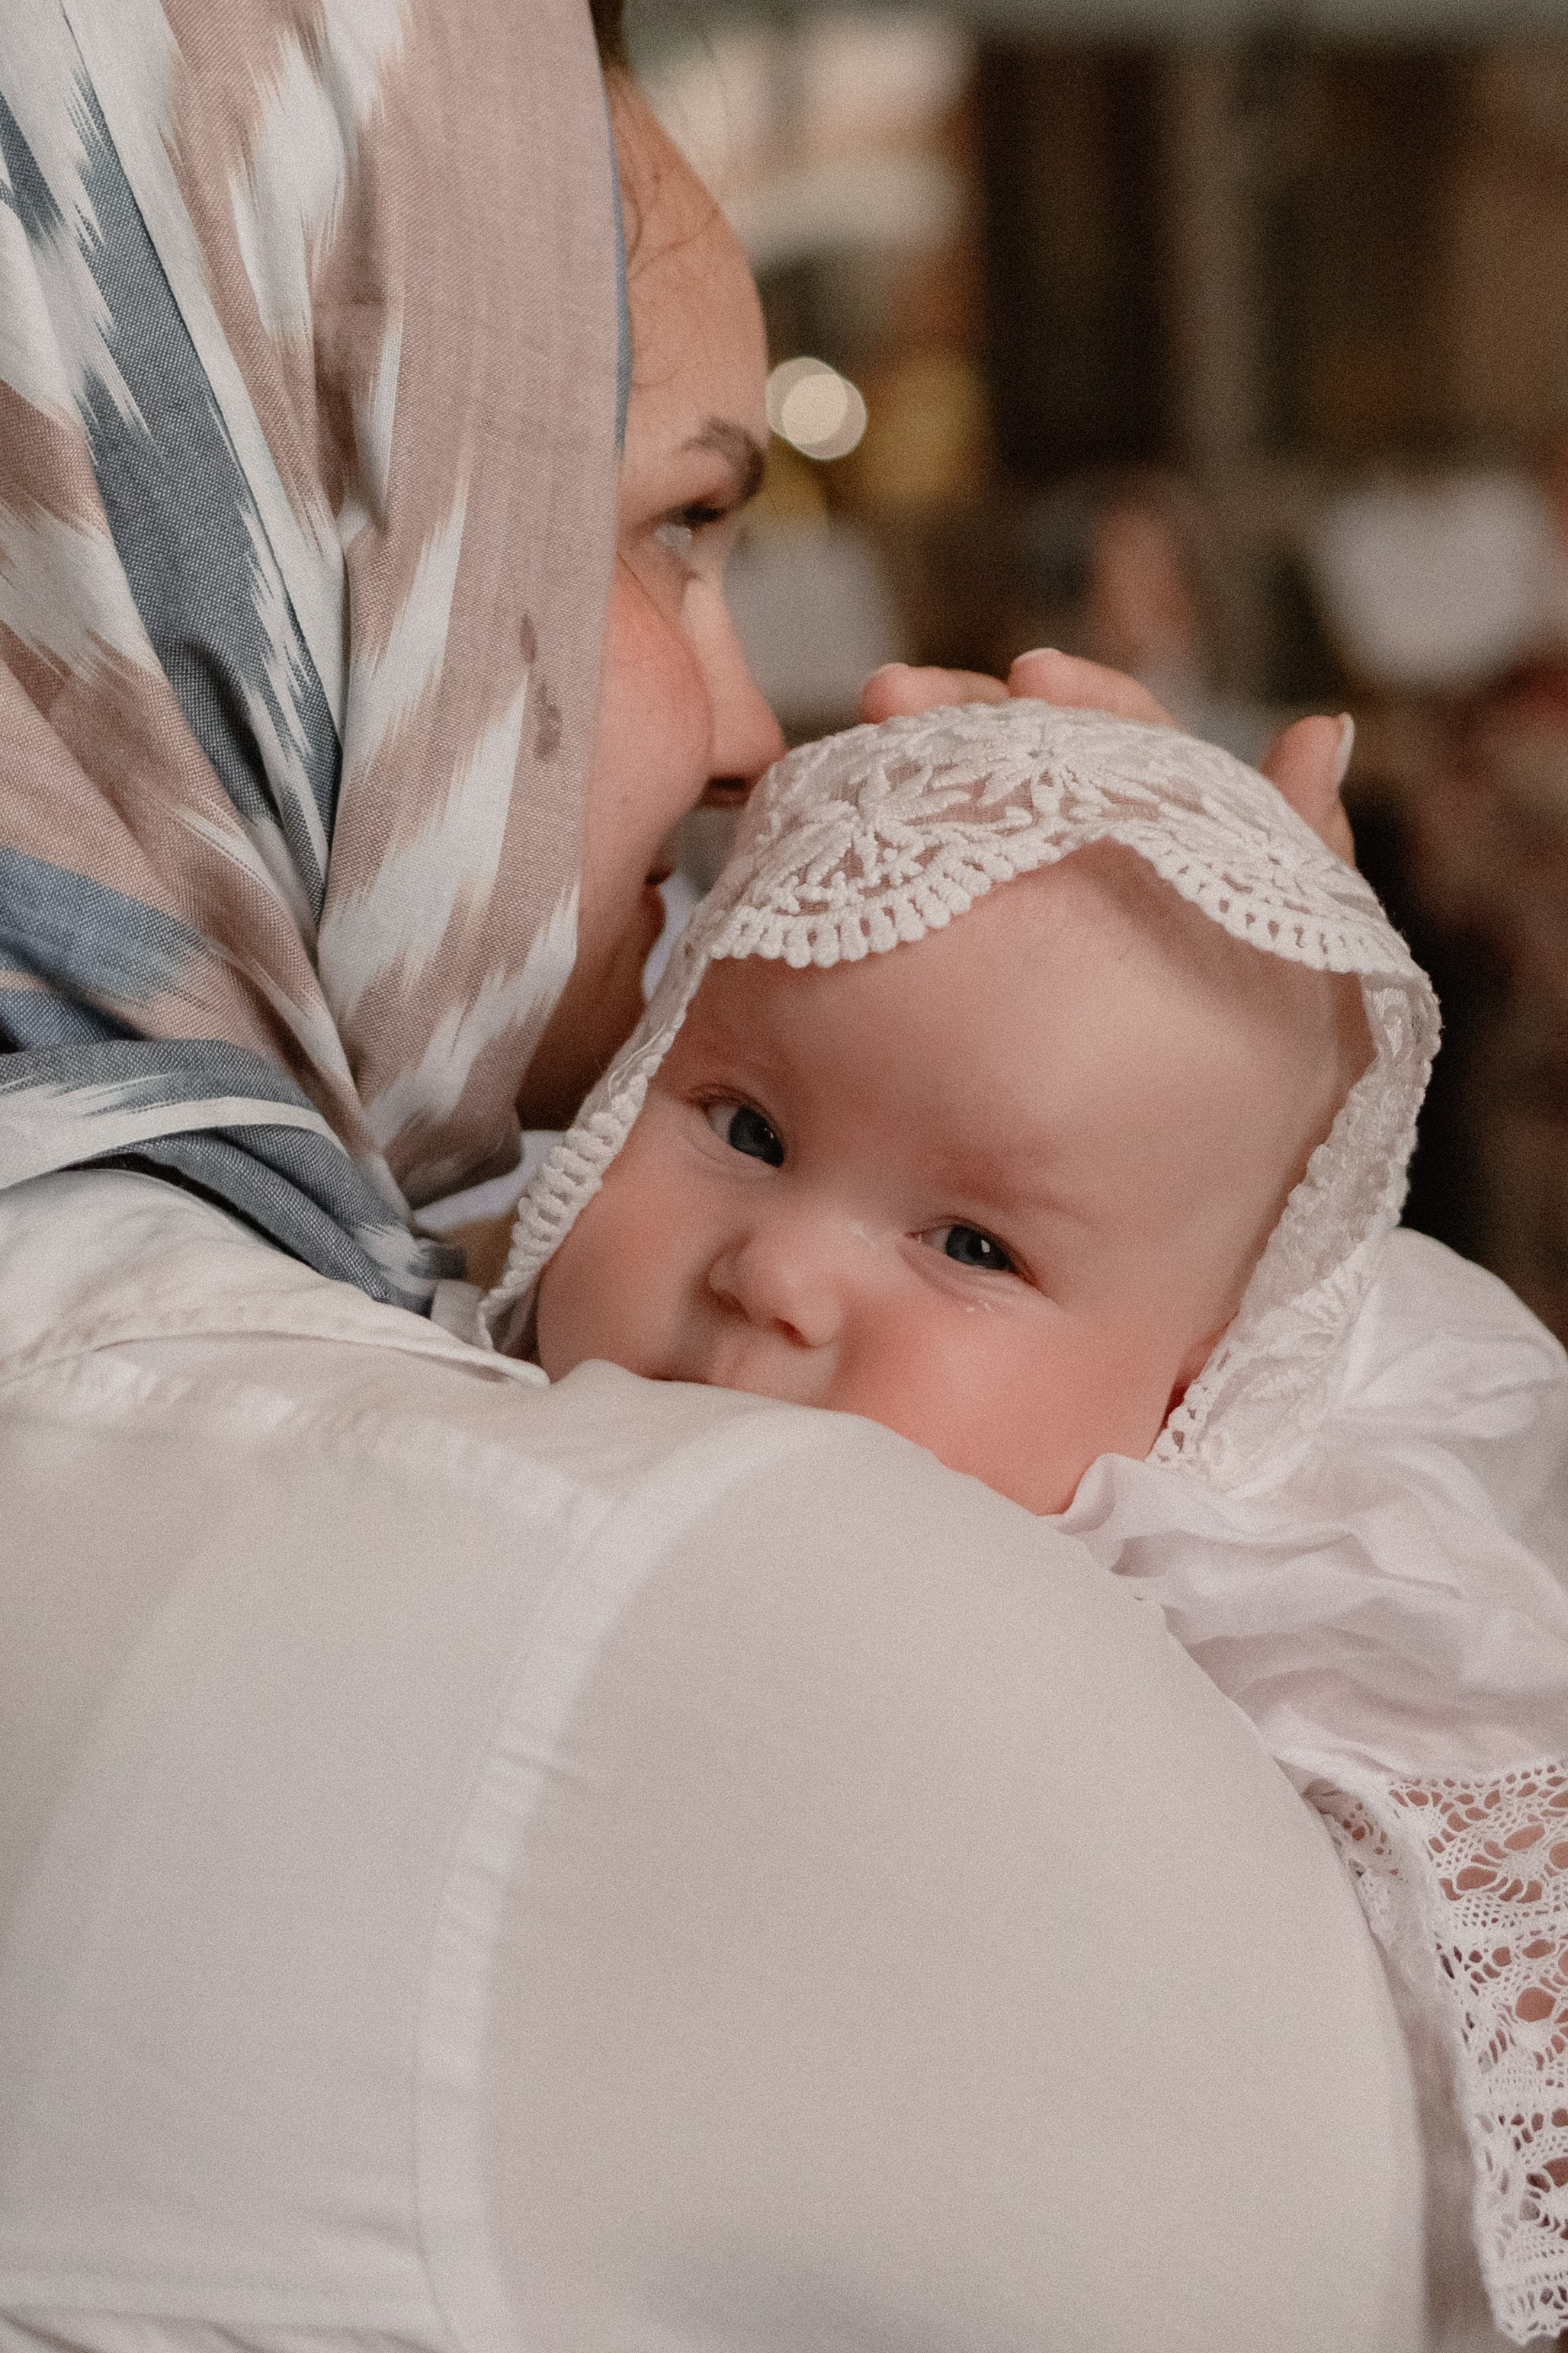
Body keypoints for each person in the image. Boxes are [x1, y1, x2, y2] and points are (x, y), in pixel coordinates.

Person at [1, 5, 1430, 2349]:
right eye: (677, 526)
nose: (757, 730)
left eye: (968, 1230)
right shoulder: (751, 1613)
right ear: (273, 515)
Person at [484, 698, 1568, 2345]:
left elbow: (1499, 1979)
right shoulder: (451, 1381)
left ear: (1198, 1385)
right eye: (745, 1128)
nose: (774, 1274)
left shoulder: (1259, 1619)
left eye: (972, 1246)